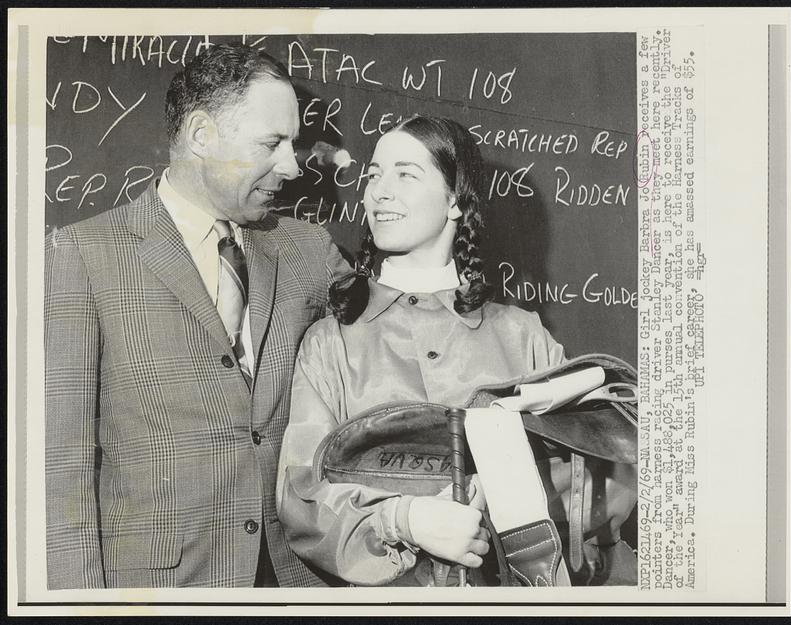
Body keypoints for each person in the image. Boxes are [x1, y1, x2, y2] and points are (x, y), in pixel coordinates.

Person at [45, 44, 350, 589]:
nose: (292, 165)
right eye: (272, 143)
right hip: (164, 587)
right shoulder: (84, 254)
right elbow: (60, 462)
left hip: (302, 579)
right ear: (201, 134)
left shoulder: (310, 251)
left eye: (293, 144)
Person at [276, 116, 570, 586]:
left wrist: (504, 495)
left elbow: (595, 481)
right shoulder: (330, 342)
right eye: (374, 175)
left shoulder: (524, 337)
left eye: (406, 174)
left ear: (455, 201)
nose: (378, 191)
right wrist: (405, 520)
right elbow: (301, 495)